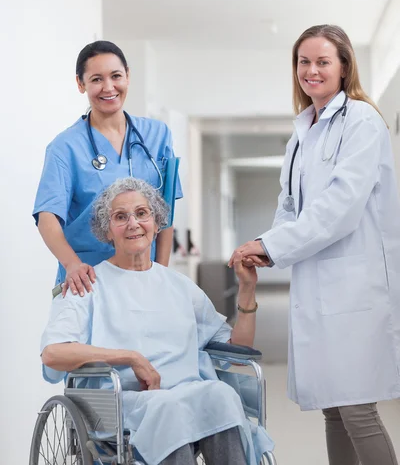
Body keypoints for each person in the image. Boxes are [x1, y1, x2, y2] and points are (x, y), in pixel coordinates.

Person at [229, 24, 400, 465]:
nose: (311, 70)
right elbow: (290, 208)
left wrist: (269, 244)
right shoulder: (302, 133)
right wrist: (265, 245)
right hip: (317, 285)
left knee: (358, 409)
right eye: (303, 62)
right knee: (333, 410)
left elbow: (340, 208)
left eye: (323, 61)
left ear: (344, 67)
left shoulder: (361, 120)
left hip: (356, 287)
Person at [40, 178, 273, 465]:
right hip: (121, 403)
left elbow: (237, 350)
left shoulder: (180, 286)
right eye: (120, 217)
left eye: (142, 213)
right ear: (107, 230)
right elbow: (53, 353)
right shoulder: (87, 284)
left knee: (220, 395)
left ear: (156, 221)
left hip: (185, 395)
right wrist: (129, 358)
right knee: (169, 407)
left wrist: (247, 289)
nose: (133, 223)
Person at [33, 40, 182, 297]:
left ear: (128, 76)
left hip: (145, 275)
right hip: (89, 279)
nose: (109, 87)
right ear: (81, 84)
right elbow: (47, 217)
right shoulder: (65, 147)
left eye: (116, 76)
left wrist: (161, 272)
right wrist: (72, 265)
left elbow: (165, 211)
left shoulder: (157, 135)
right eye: (96, 79)